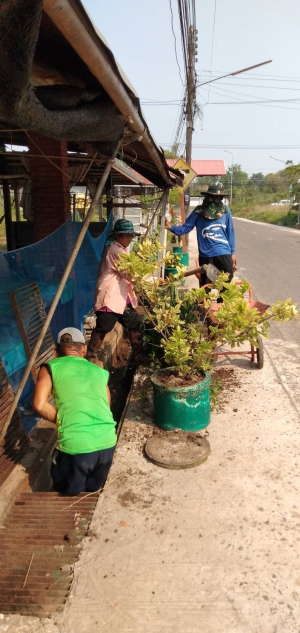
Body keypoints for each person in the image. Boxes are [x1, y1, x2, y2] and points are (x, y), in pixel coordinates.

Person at [33, 327, 117, 496]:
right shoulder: (100, 372)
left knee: (68, 493)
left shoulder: (50, 367)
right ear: (84, 349)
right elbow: (106, 406)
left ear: (56, 352)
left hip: (77, 447)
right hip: (108, 443)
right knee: (91, 491)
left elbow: (40, 404)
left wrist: (66, 419)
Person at [87, 218, 143, 364]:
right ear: (118, 236)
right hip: (111, 296)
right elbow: (129, 274)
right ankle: (91, 357)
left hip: (121, 297)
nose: (130, 239)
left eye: (131, 236)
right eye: (127, 235)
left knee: (134, 323)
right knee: (103, 327)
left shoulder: (118, 248)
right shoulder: (116, 250)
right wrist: (152, 280)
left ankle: (138, 355)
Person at [165, 182, 237, 286]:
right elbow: (185, 228)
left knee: (226, 288)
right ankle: (207, 302)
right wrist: (170, 227)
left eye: (217, 197)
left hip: (223, 253)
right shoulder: (198, 212)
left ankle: (220, 303)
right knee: (205, 289)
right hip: (207, 256)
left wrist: (232, 252)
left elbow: (230, 232)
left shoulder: (226, 211)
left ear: (221, 198)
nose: (214, 200)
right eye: (212, 197)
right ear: (207, 196)